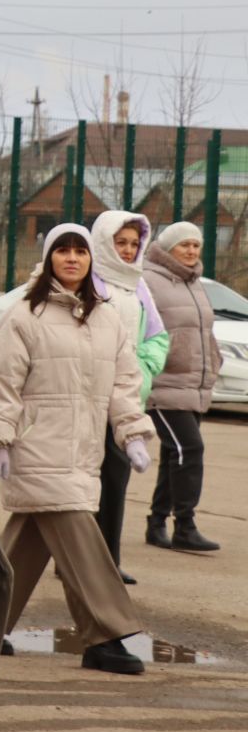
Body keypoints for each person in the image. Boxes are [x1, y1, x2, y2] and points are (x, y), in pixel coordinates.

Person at [0, 223, 156, 676]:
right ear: (49, 257)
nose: (72, 258)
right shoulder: (25, 315)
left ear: (92, 259)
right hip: (36, 446)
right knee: (79, 533)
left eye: (80, 251)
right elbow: (1, 381)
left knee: (28, 542)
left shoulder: (108, 317)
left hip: (83, 449)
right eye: (63, 251)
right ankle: (108, 633)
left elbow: (124, 382)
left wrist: (132, 432)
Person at [88, 210, 170, 582]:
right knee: (77, 482)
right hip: (84, 395)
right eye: (119, 242)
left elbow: (158, 336)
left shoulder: (138, 286)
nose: (126, 250)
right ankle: (72, 558)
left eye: (134, 244)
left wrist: (144, 368)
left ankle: (108, 561)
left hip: (124, 400)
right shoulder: (87, 278)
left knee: (115, 481)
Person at [142, 221, 223, 553]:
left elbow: (203, 331)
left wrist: (213, 361)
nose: (191, 251)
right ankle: (185, 526)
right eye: (184, 246)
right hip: (164, 383)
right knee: (190, 449)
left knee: (174, 454)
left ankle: (157, 522)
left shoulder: (194, 282)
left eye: (196, 245)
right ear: (167, 248)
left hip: (193, 383)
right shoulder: (149, 280)